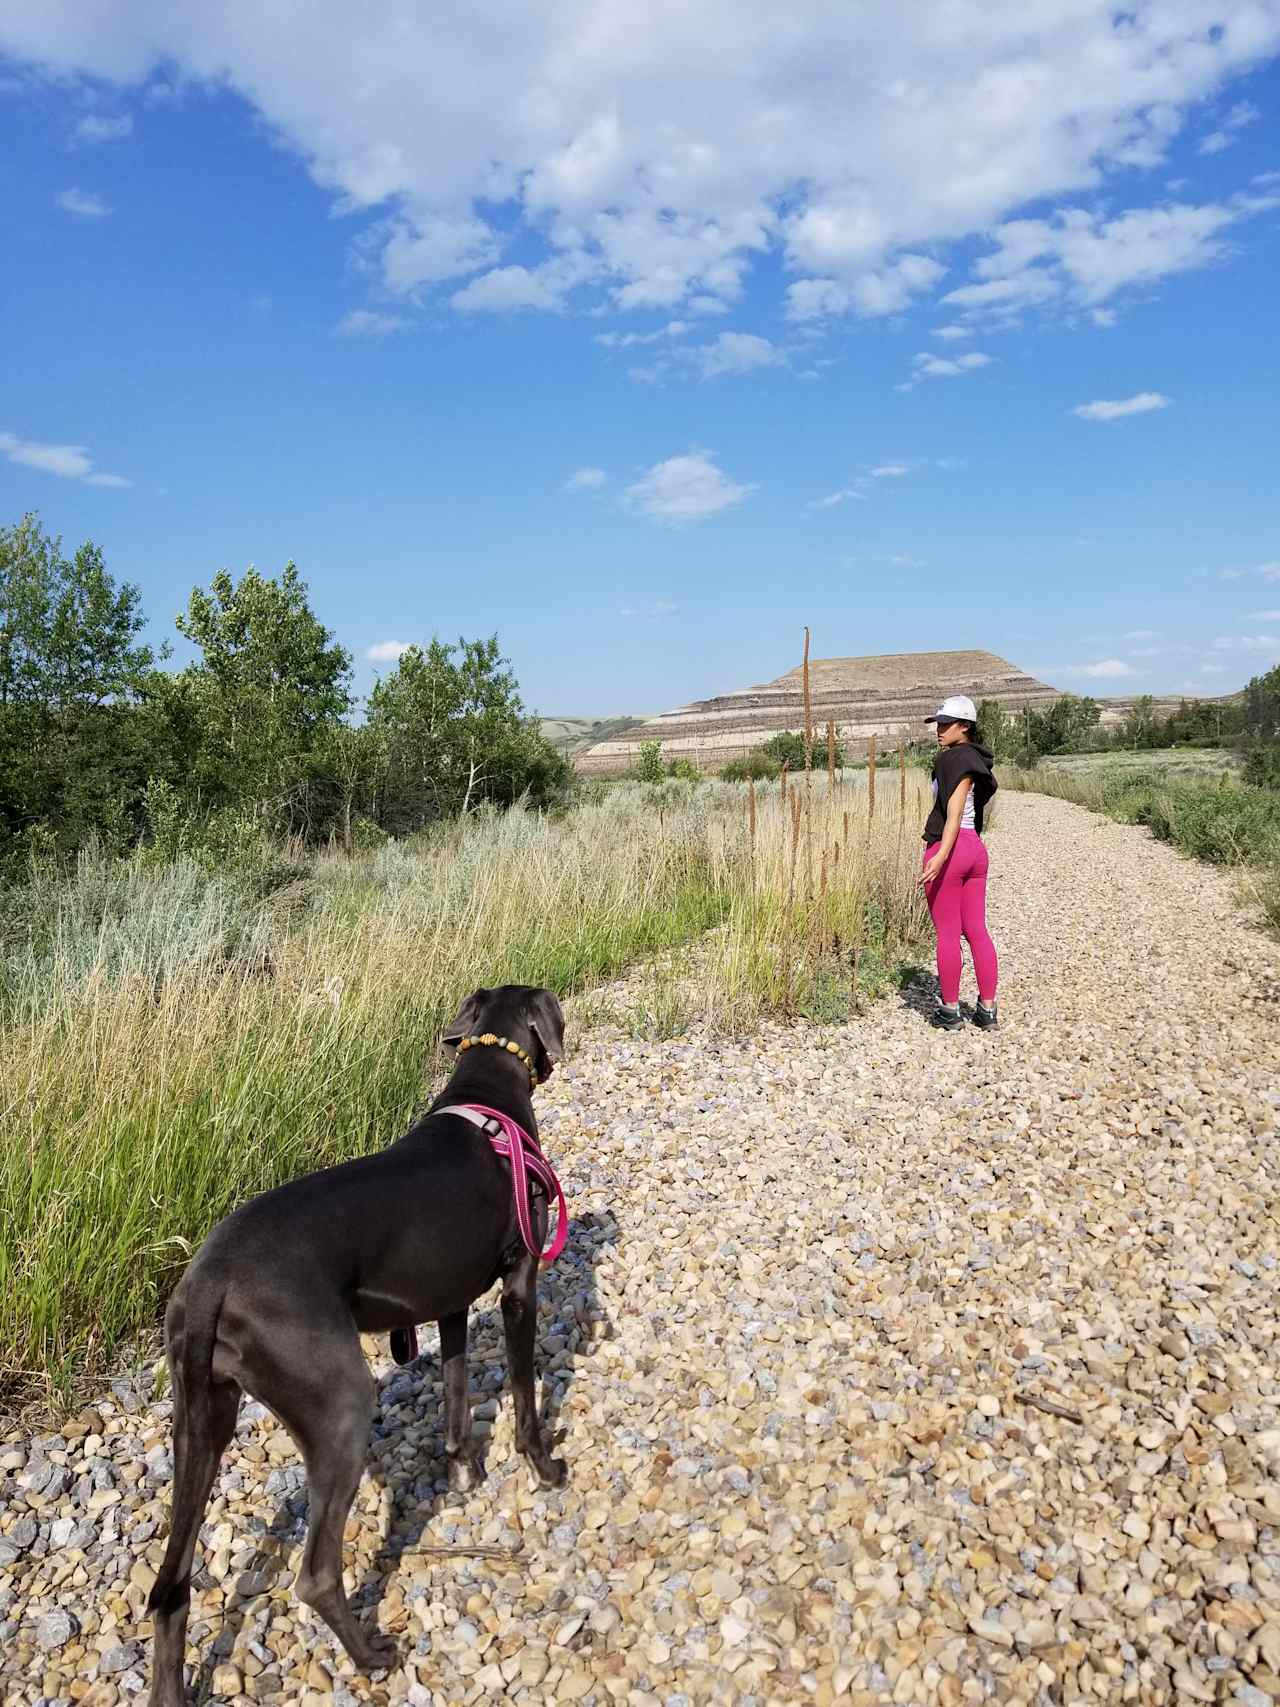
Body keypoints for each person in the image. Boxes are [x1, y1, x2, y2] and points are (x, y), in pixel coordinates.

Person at [918, 695, 999, 1030]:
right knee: (976, 930)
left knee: (948, 933)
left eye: (946, 723)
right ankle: (987, 1010)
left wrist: (940, 855)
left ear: (964, 726)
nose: (939, 729)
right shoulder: (978, 759)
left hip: (951, 849)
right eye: (937, 723)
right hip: (975, 850)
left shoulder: (952, 759)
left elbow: (953, 815)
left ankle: (950, 1011)